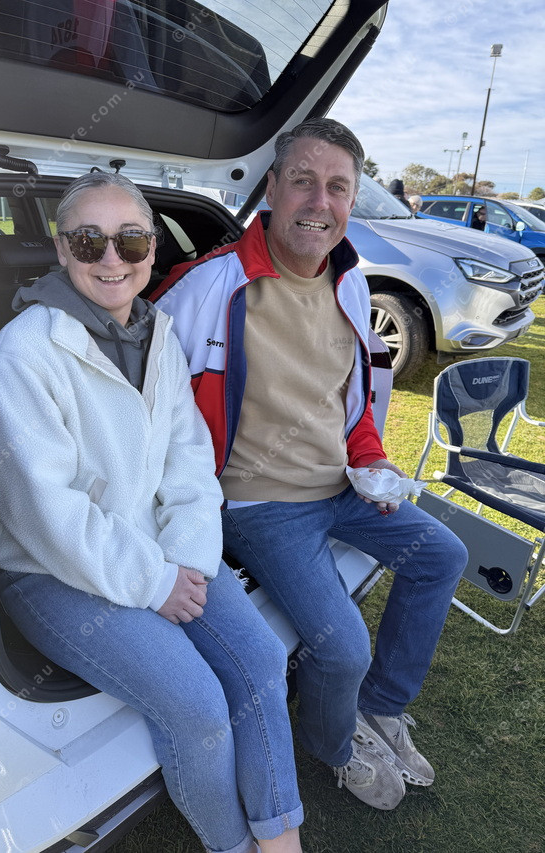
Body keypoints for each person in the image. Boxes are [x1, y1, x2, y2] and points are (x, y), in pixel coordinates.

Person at [0, 172, 304, 853]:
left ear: (152, 248)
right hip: (49, 572)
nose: (111, 259)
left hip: (159, 548)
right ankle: (232, 844)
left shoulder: (157, 334)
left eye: (129, 240)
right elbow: (45, 514)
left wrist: (185, 558)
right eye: (88, 242)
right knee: (197, 705)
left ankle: (280, 838)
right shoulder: (24, 352)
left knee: (261, 659)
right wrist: (155, 583)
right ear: (61, 249)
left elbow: (189, 460)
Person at [152, 118, 468, 811]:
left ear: (353, 199)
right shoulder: (208, 287)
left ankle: (380, 706)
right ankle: (336, 745)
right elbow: (141, 406)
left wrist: (371, 459)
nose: (320, 202)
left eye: (338, 187)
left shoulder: (350, 281)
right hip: (260, 505)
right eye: (303, 181)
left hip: (341, 487)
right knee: (343, 646)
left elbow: (351, 401)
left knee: (442, 555)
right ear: (272, 188)